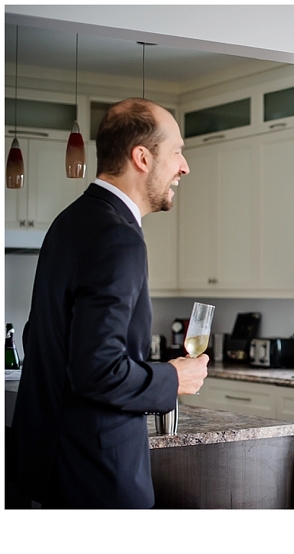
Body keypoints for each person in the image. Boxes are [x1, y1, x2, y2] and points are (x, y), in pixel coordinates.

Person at [12, 98, 209, 508]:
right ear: (142, 157)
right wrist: (173, 379)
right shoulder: (118, 236)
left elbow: (40, 336)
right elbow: (97, 371)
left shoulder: (70, 221)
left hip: (47, 463)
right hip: (96, 475)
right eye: (177, 152)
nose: (184, 167)